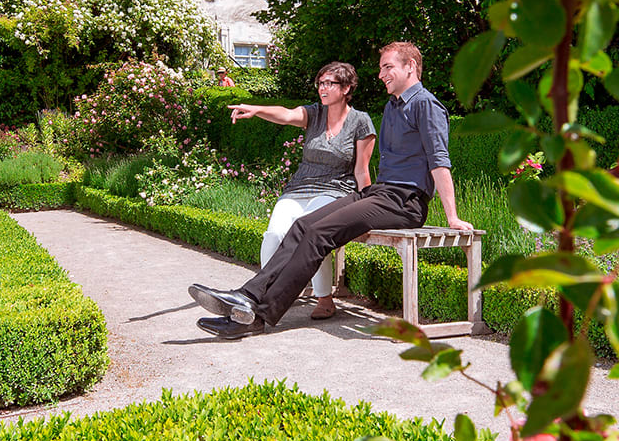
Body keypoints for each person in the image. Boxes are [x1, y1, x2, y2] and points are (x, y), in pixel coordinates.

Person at [190, 41, 474, 338]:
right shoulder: (392, 107)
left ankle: (255, 313)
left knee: (319, 233)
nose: (381, 75)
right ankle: (247, 299)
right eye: (381, 68)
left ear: (410, 67)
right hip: (381, 193)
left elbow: (439, 162)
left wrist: (452, 217)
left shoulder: (426, 105)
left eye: (387, 67)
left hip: (405, 201)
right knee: (303, 225)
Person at [228, 62, 377, 320]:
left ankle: (325, 299)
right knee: (274, 234)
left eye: (329, 83)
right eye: (320, 83)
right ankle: (263, 295)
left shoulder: (360, 121)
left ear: (346, 88)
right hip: (298, 189)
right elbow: (285, 115)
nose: (323, 88)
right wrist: (255, 109)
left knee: (312, 233)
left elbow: (362, 171)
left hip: (335, 191)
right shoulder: (314, 114)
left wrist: (366, 212)